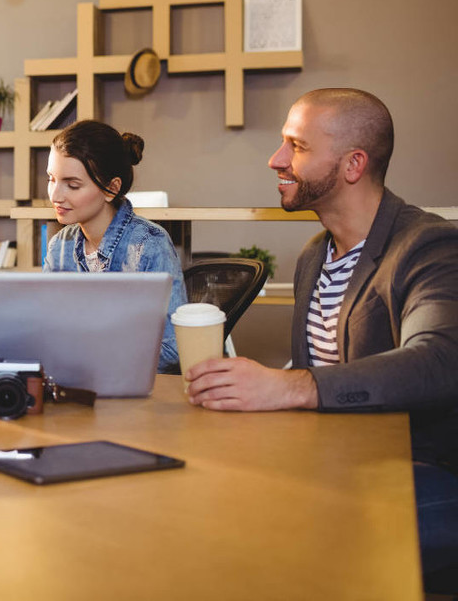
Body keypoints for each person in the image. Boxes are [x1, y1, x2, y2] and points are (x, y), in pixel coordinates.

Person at [185, 88, 458, 589]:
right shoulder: (315, 255)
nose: (276, 160)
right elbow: (316, 372)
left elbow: (438, 361)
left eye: (298, 146)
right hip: (343, 466)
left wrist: (289, 387)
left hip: (426, 470)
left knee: (272, 534)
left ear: (354, 164)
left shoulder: (429, 246)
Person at [43, 120, 185, 374]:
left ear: (111, 189)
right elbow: (47, 331)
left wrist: (89, 350)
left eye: (72, 185)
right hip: (76, 385)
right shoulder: (59, 247)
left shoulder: (150, 245)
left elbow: (173, 350)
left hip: (136, 395)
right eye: (52, 179)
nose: (55, 195)